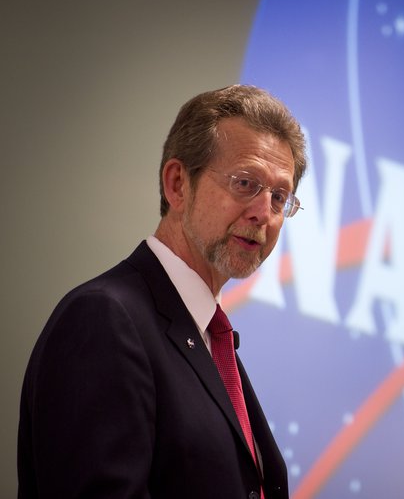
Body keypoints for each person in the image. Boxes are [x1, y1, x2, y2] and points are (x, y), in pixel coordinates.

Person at [17, 84, 307, 499]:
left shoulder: (209, 339)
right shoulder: (104, 320)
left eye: (280, 197)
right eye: (246, 183)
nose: (264, 212)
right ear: (177, 184)